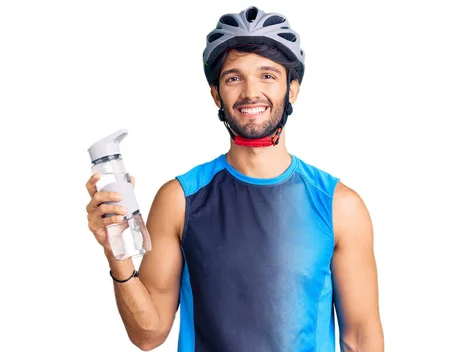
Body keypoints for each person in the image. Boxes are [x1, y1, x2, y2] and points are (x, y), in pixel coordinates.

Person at [85, 5, 383, 351]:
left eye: (268, 75)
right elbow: (148, 335)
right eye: (234, 77)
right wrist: (116, 253)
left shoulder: (338, 205)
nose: (250, 92)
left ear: (293, 89)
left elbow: (361, 339)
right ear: (217, 93)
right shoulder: (180, 200)